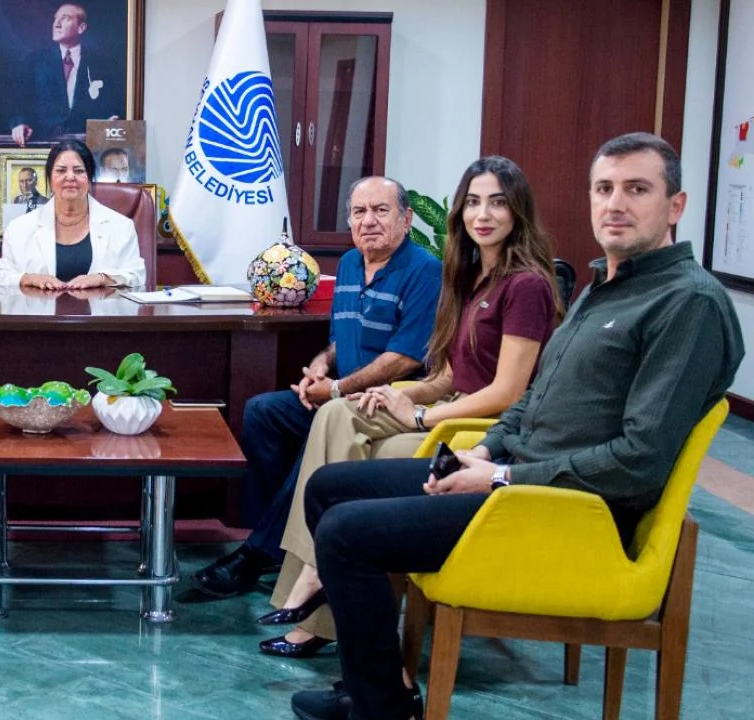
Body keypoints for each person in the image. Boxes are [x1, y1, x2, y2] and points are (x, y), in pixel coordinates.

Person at [290, 132, 745, 720]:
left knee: (345, 533)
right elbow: (533, 399)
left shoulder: (688, 304)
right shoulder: (603, 289)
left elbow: (638, 460)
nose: (615, 204)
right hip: (515, 476)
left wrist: (501, 476)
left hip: (564, 512)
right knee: (330, 489)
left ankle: (382, 707)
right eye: (604, 189)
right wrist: (484, 451)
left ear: (675, 205)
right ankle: (375, 683)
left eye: (637, 189)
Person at [261, 156, 562, 659]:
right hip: (449, 402)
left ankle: (317, 585)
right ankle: (317, 574)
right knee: (339, 411)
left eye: (497, 203)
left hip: (484, 428)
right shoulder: (471, 277)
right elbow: (449, 375)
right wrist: (402, 395)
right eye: (473, 202)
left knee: (355, 447)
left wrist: (420, 416)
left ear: (518, 212)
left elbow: (507, 394)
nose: (483, 214)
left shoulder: (526, 285)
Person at [192, 176, 442, 599]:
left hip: (386, 404)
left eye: (381, 210)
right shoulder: (349, 264)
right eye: (359, 212)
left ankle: (256, 554)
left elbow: (406, 358)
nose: (368, 221)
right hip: (343, 392)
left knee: (322, 422)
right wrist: (322, 364)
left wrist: (338, 389)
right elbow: (341, 338)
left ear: (406, 218)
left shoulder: (425, 270)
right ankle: (272, 540)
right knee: (263, 412)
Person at [0, 139, 145, 289]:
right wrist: (27, 278)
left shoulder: (121, 227)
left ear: (90, 178)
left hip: (102, 306)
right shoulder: (19, 229)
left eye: (79, 171)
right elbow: (1, 276)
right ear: (50, 179)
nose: (70, 177)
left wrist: (103, 278)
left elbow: (137, 275)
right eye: (61, 170)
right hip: (38, 306)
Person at [9, 3, 125, 147]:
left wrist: (112, 120)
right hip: (44, 144)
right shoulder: (35, 61)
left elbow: (113, 106)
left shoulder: (101, 64)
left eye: (65, 18)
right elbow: (19, 101)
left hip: (86, 147)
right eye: (55, 18)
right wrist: (19, 123)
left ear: (81, 28)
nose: (56, 24)